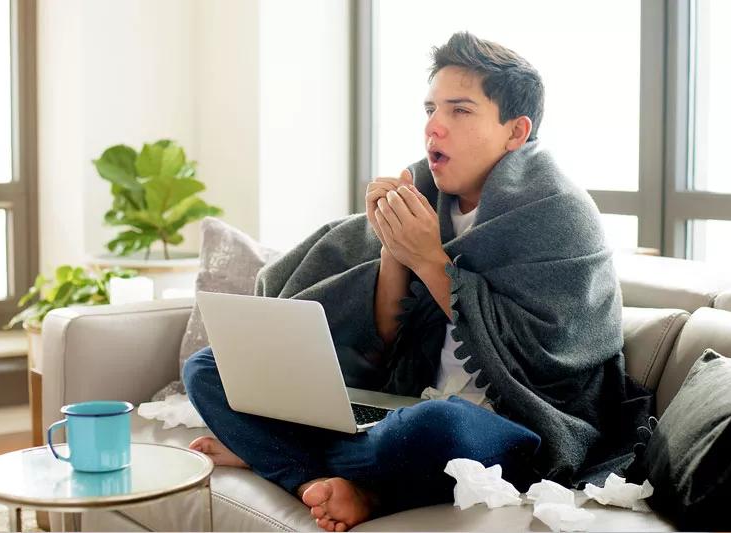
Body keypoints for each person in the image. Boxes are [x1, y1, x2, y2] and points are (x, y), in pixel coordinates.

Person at [183, 32, 651, 532]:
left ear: (516, 132)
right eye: (430, 109)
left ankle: (280, 456)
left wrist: (430, 260)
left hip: (504, 427)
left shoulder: (561, 214)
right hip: (399, 411)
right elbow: (379, 344)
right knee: (209, 369)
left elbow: (546, 361)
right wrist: (393, 252)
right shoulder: (424, 194)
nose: (434, 127)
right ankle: (314, 479)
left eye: (460, 111)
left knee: (438, 425)